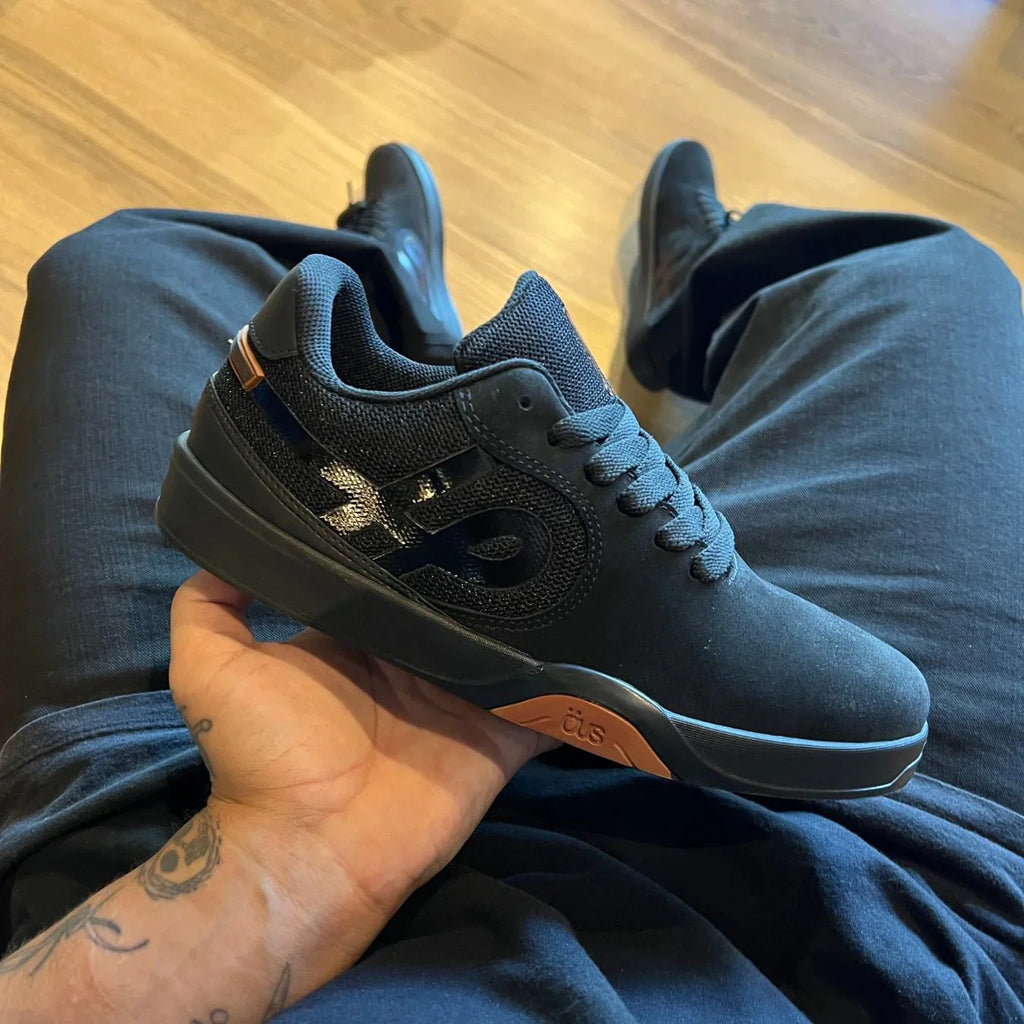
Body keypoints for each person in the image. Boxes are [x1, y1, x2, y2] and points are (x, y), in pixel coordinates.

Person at [0, 140, 1021, 1023]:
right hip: (832, 924)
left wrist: (281, 857)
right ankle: (685, 303)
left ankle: (391, 296)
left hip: (184, 845)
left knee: (132, 255)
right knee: (918, 269)